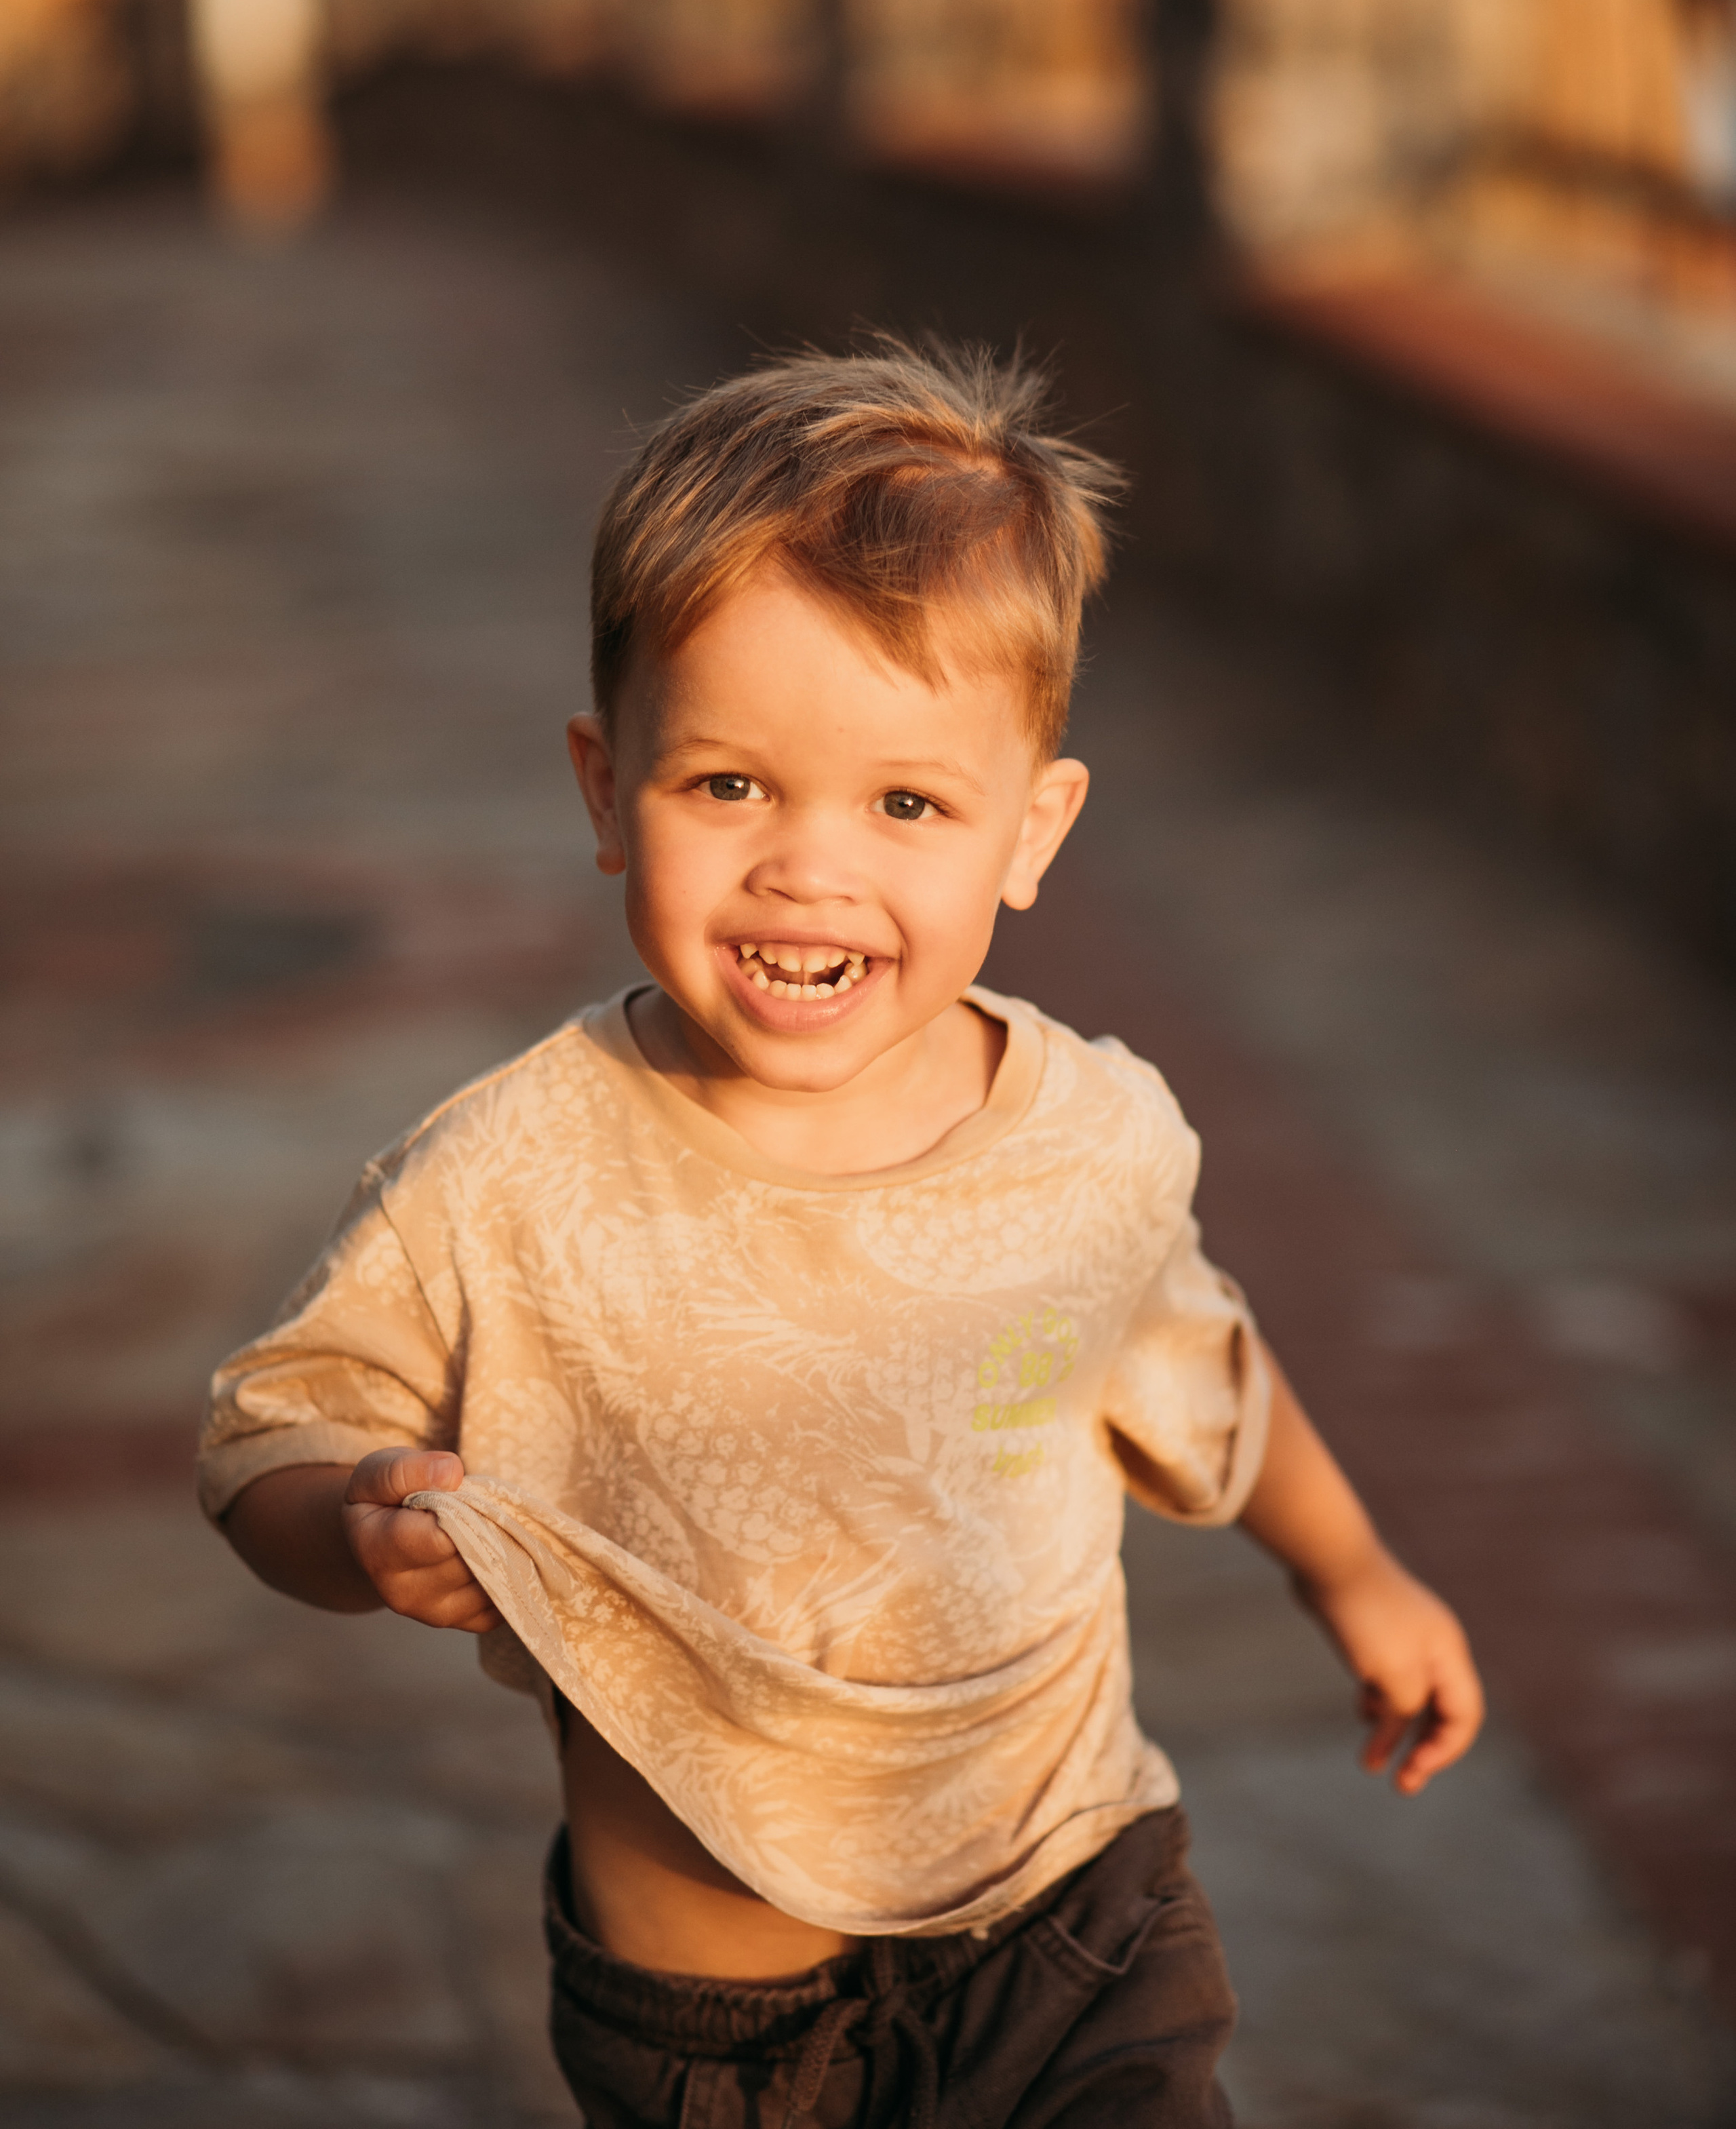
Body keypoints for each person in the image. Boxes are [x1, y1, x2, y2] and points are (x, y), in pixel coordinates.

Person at [200, 343, 1484, 2128]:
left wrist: (1355, 1573)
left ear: (1030, 832)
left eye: (905, 804)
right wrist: (348, 1522)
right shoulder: (513, 1171)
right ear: (603, 789)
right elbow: (273, 1419)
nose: (809, 867)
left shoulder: (1086, 1142)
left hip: (1078, 1914)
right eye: (728, 787)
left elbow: (1211, 1369)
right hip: (724, 2026)